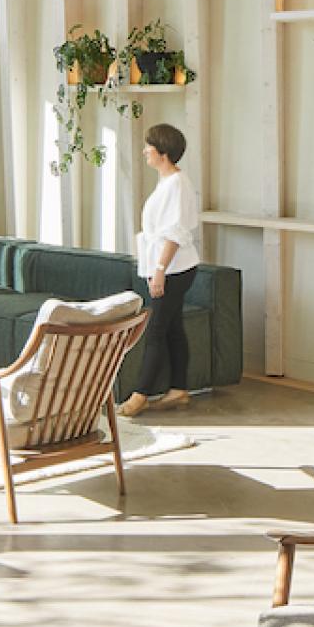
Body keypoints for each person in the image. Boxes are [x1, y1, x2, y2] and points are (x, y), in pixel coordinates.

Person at [118, 122, 202, 417]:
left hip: (175, 269)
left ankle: (139, 395)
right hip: (170, 267)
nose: (144, 152)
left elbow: (174, 232)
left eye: (148, 147)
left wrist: (160, 270)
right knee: (173, 328)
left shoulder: (177, 185)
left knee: (155, 331)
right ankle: (179, 390)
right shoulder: (168, 182)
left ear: (162, 153)